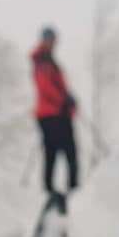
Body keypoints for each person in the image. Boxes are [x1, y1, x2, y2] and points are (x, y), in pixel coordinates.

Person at [31, 26, 78, 197]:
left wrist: (69, 100)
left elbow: (57, 86)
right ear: (44, 40)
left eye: (54, 40)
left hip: (58, 113)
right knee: (61, 150)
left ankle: (66, 188)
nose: (52, 43)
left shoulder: (49, 60)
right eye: (50, 39)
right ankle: (54, 189)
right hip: (51, 114)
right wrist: (63, 100)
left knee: (63, 150)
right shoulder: (42, 60)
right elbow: (45, 87)